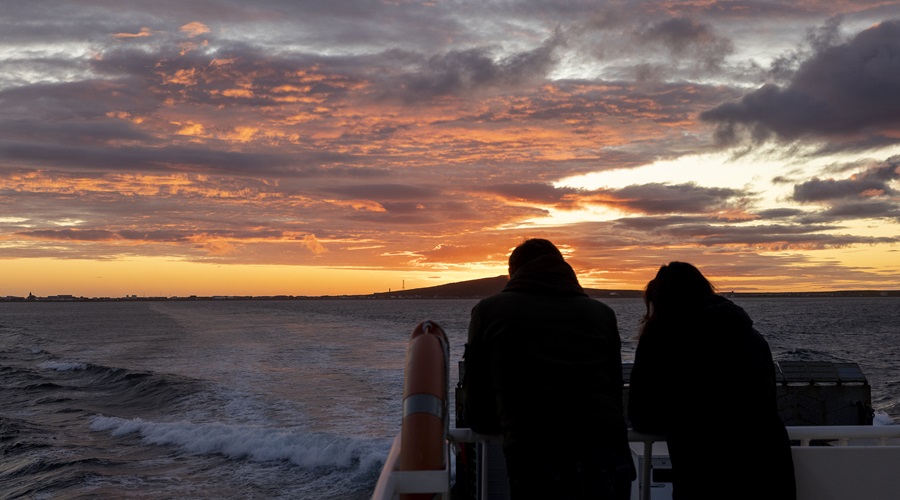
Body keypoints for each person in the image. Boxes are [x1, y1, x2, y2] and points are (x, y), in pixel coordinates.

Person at [462, 238, 635, 499]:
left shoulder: (488, 311)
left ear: (514, 272)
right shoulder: (602, 313)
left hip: (534, 458)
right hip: (606, 456)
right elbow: (612, 384)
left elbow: (476, 389)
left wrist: (493, 426)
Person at [628, 262, 796, 500]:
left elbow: (643, 415)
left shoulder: (662, 336)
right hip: (769, 462)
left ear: (659, 300)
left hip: (707, 469)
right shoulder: (749, 334)